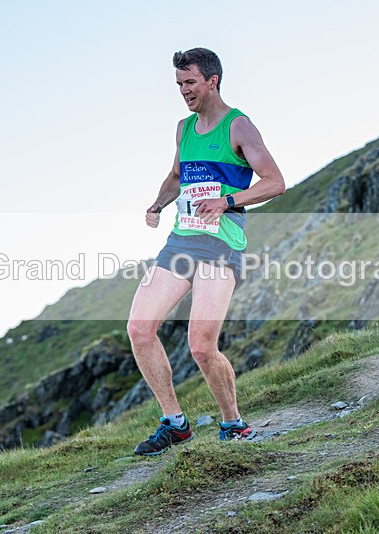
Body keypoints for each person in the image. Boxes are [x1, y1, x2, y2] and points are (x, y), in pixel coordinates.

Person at [127, 47, 285, 456]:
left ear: (212, 81)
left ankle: (233, 424)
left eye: (191, 82)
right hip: (182, 241)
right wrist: (158, 204)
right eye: (179, 84)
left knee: (201, 346)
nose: (184, 90)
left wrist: (226, 202)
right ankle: (175, 424)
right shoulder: (183, 129)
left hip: (221, 246)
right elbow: (177, 175)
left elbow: (274, 181)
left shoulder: (239, 126)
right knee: (140, 329)